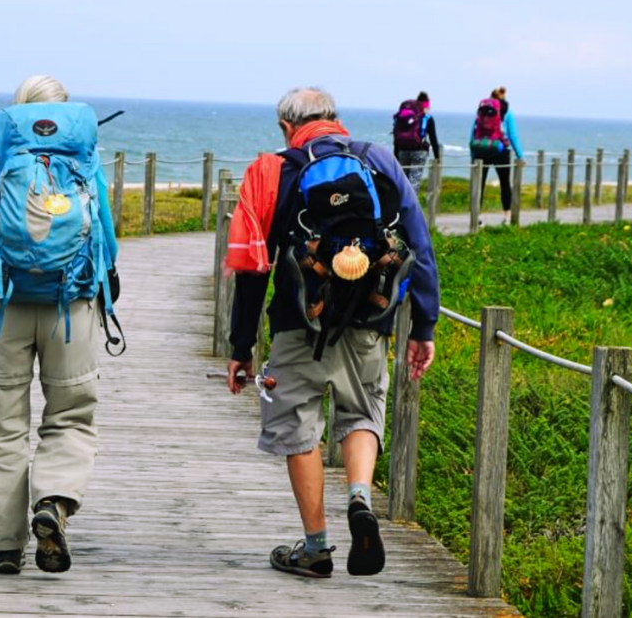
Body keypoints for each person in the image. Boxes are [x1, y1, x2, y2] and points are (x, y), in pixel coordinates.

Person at [223, 87, 440, 579]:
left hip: (300, 321)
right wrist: (423, 325)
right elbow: (419, 246)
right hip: (369, 316)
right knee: (361, 412)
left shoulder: (272, 171)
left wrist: (241, 346)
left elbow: (254, 269)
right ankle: (360, 498)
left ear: (285, 127)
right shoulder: (378, 161)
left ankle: (316, 547)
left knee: (298, 427)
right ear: (337, 119)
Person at [0, 74, 120, 575]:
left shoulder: (1, 143)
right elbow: (104, 228)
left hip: (5, 300)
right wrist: (106, 292)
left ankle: (5, 546)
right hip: (72, 301)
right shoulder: (82, 147)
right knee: (69, 415)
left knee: (2, 426)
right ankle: (53, 502)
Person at [468, 86, 525, 223]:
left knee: (479, 183)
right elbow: (512, 135)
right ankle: (507, 215)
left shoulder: (482, 110)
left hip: (481, 149)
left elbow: (473, 131)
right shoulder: (507, 112)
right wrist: (520, 155)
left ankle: (477, 216)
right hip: (500, 150)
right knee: (505, 183)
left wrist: (473, 153)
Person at [391, 91, 441, 193]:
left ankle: (400, 206)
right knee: (414, 180)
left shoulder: (404, 117)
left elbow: (396, 135)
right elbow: (433, 139)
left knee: (403, 180)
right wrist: (437, 157)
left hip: (402, 151)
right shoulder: (427, 118)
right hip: (420, 151)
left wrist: (396, 154)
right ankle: (411, 206)